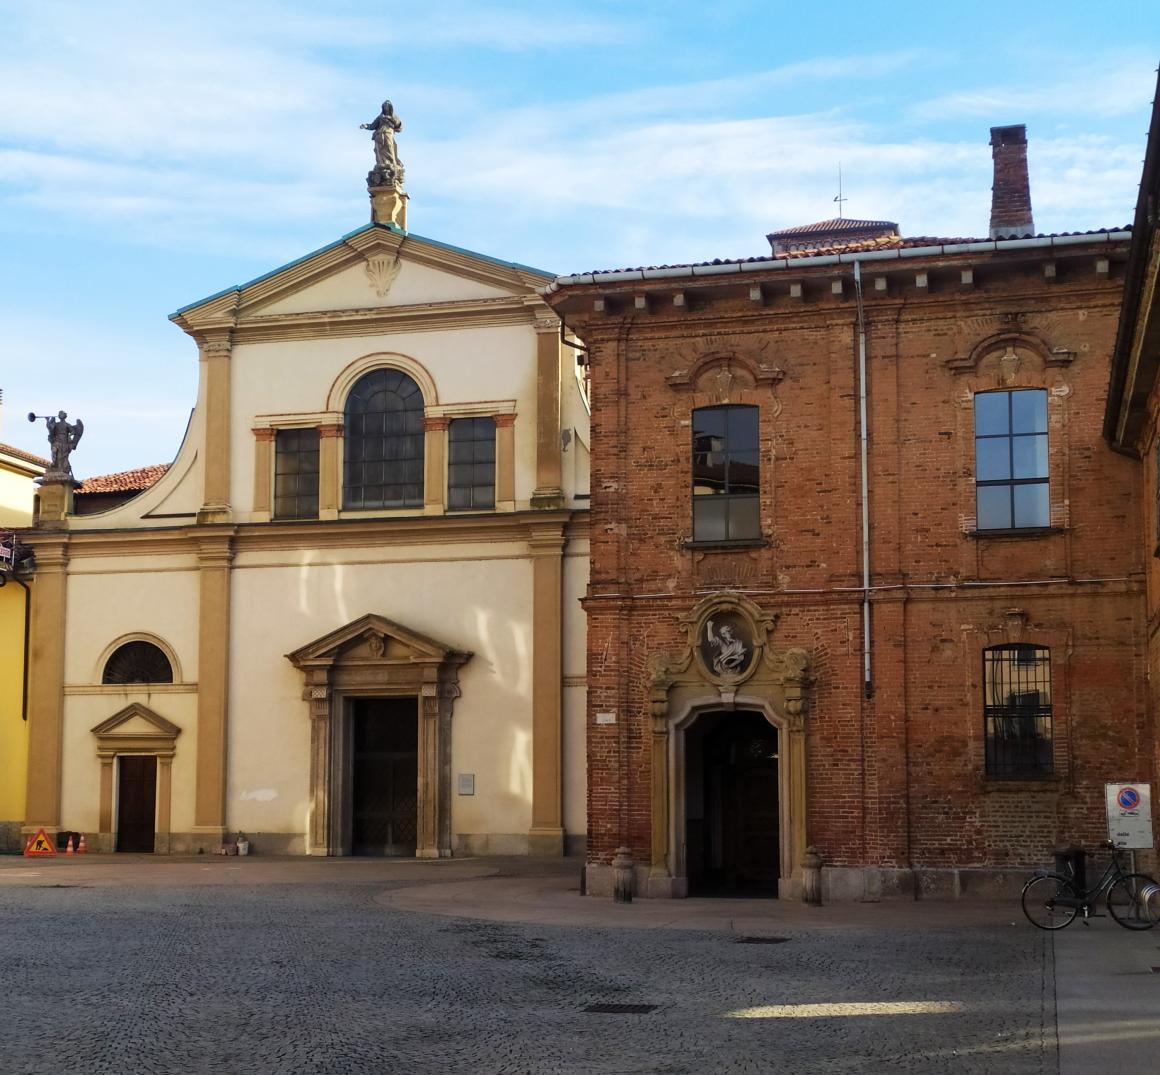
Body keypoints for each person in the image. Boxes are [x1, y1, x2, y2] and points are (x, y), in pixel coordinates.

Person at [361, 100, 403, 175]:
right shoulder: (380, 117)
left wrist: (390, 118)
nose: (386, 108)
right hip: (379, 135)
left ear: (390, 108)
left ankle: (392, 163)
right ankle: (382, 163)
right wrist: (366, 126)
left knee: (389, 148)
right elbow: (373, 125)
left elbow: (399, 126)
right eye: (384, 107)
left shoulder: (393, 116)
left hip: (388, 134)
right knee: (379, 150)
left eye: (387, 107)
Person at [45, 411, 83, 477]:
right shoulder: (56, 424)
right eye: (59, 414)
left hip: (64, 442)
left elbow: (73, 431)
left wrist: (69, 436)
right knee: (54, 451)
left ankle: (61, 467)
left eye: (61, 414)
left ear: (64, 416)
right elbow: (50, 428)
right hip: (56, 441)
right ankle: (54, 464)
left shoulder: (67, 424)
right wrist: (48, 421)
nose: (60, 415)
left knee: (62, 456)